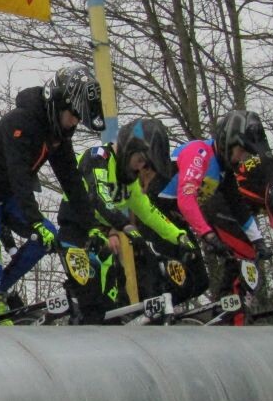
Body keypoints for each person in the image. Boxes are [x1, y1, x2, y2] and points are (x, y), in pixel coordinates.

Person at [0, 66, 101, 325]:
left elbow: (72, 182)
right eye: (73, 115)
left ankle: (0, 290)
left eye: (80, 118)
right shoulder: (21, 121)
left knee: (48, 237)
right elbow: (19, 175)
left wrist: (92, 227)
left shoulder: (58, 132)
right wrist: (34, 220)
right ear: (58, 103)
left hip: (6, 197)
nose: (75, 122)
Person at [56, 118, 204, 323]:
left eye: (146, 164)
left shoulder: (130, 181)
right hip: (75, 237)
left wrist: (179, 237)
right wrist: (125, 225)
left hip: (102, 243)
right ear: (129, 146)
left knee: (112, 314)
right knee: (90, 306)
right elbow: (98, 196)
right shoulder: (97, 157)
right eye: (141, 160)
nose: (141, 168)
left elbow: (148, 211)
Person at [156, 109, 272, 322]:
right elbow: (186, 200)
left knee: (199, 281)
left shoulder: (223, 170)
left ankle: (162, 318)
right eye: (242, 151)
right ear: (228, 141)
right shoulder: (200, 154)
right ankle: (148, 315)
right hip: (152, 213)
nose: (242, 158)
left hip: (174, 223)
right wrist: (208, 235)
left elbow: (238, 207)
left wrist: (258, 241)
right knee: (170, 277)